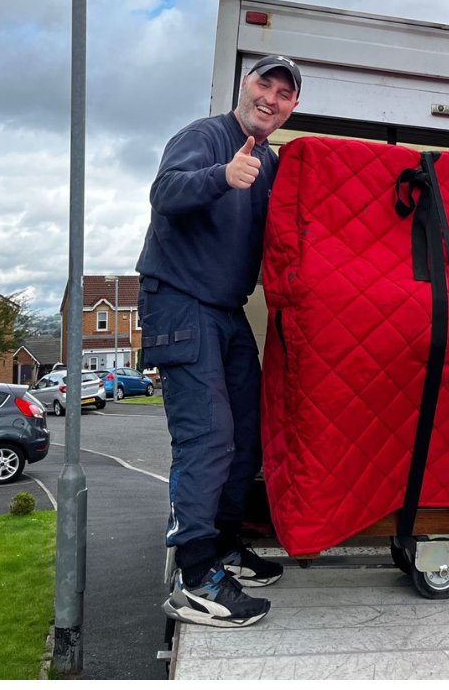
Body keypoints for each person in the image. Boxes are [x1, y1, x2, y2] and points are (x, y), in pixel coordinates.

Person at [136, 54, 302, 627]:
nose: (272, 98)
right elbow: (166, 192)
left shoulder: (273, 162)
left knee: (246, 437)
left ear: (292, 108)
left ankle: (225, 545)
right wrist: (220, 177)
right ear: (245, 86)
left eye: (284, 93)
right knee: (207, 436)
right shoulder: (207, 136)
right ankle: (197, 574)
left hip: (226, 311)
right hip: (180, 302)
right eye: (265, 84)